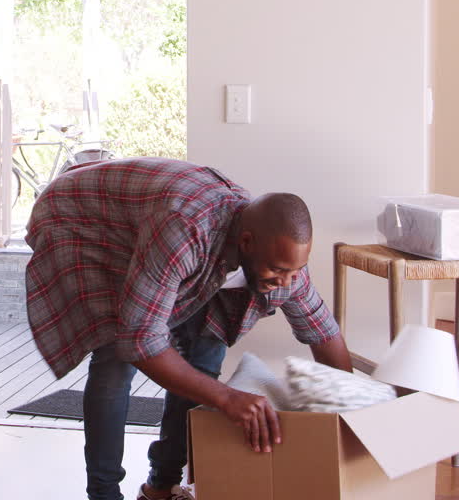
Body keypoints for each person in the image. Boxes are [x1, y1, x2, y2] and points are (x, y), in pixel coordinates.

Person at [24, 157, 353, 500]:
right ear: (246, 243)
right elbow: (140, 341)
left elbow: (323, 333)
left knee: (204, 361)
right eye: (278, 270)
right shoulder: (185, 231)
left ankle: (160, 487)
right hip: (82, 220)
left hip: (162, 230)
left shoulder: (283, 261)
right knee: (115, 362)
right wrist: (227, 397)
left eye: (295, 271)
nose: (286, 281)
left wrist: (349, 411)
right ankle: (104, 494)